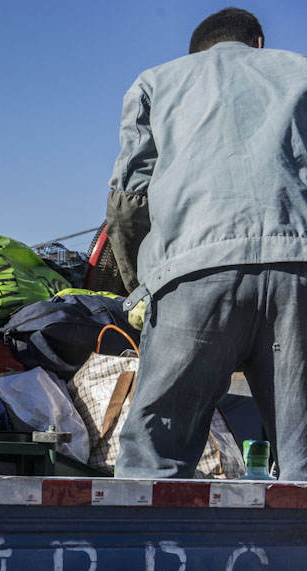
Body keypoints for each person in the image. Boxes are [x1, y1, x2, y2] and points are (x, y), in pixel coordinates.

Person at [106, 7, 307, 479]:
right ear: (257, 43)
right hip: (300, 267)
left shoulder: (157, 81)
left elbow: (129, 202)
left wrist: (144, 284)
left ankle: (147, 550)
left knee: (154, 460)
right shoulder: (300, 70)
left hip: (193, 272)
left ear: (197, 53)